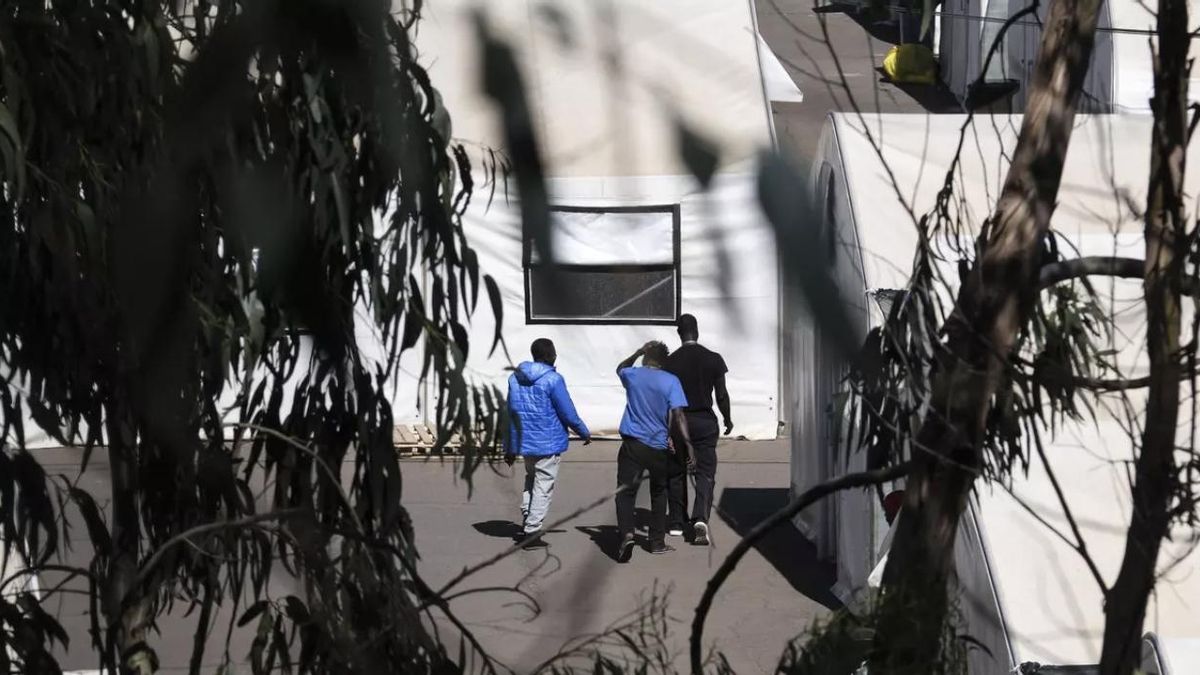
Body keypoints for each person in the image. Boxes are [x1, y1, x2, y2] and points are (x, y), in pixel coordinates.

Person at [505, 338, 591, 547]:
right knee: (543, 486)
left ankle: (528, 515)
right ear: (549, 355)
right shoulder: (553, 379)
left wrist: (509, 445)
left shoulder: (514, 378)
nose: (556, 356)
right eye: (554, 352)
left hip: (525, 442)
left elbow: (509, 412)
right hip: (547, 442)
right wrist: (583, 431)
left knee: (531, 479)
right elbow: (567, 412)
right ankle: (532, 532)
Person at [613, 340, 694, 562]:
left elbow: (619, 368)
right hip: (658, 446)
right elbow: (678, 415)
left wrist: (637, 351)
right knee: (659, 493)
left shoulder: (633, 374)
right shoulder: (671, 381)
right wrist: (687, 446)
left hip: (632, 443)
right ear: (664, 361)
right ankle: (657, 541)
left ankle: (628, 533)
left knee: (625, 492)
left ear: (645, 358)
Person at [663, 313, 732, 546]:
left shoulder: (669, 362)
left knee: (676, 470)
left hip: (677, 422)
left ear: (679, 333)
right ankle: (700, 518)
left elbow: (664, 399)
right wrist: (727, 418)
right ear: (697, 331)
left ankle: (675, 522)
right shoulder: (713, 358)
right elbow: (721, 394)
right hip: (704, 421)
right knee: (705, 472)